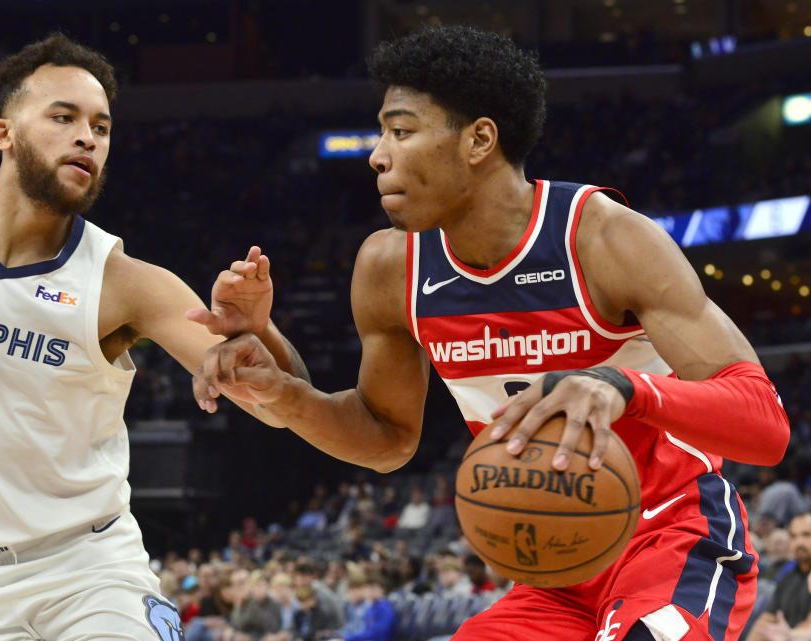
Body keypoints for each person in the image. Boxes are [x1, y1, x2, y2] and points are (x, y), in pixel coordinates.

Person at [192, 25, 790, 641]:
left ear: (479, 139)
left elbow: (766, 425)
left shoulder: (603, 237)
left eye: (400, 131)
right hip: (555, 570)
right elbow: (387, 439)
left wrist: (624, 386)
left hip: (673, 537)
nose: (377, 154)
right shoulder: (388, 267)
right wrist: (283, 391)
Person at [0, 3, 306, 639]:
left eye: (101, 125)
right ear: (3, 133)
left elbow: (286, 407)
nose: (87, 137)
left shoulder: (123, 281)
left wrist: (260, 335)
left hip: (90, 573)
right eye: (63, 118)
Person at [746, 513, 811, 641]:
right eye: (794, 536)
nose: (799, 542)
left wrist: (790, 635)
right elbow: (765, 622)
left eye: (806, 535)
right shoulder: (787, 578)